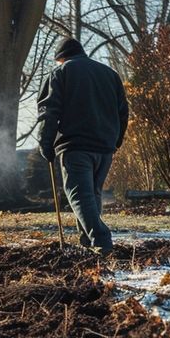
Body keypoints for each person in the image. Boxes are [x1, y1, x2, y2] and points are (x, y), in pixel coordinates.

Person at [36, 37, 129, 254]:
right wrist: (116, 140)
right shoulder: (110, 74)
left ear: (60, 58)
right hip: (105, 147)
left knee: (79, 194)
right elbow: (123, 112)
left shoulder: (60, 73)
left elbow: (49, 112)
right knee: (92, 194)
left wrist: (46, 143)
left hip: (75, 145)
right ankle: (88, 243)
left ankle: (101, 241)